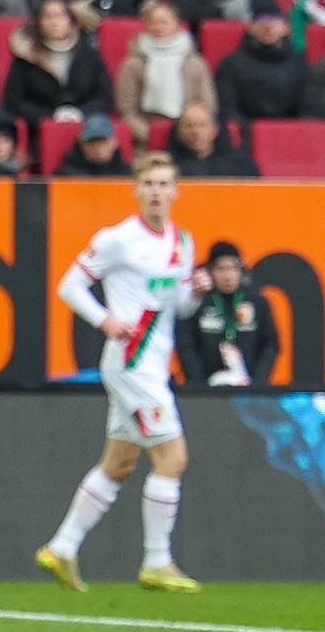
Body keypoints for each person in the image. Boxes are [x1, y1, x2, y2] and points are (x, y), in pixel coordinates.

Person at [38, 152, 207, 593]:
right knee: (174, 457)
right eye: (148, 183)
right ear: (135, 190)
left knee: (119, 463)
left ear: (176, 191)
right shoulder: (118, 239)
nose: (156, 192)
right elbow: (69, 284)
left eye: (163, 184)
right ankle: (156, 560)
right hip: (132, 364)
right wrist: (104, 320)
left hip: (152, 363)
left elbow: (180, 308)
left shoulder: (182, 242)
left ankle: (62, 546)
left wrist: (196, 291)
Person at [177, 241, 278, 388]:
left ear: (241, 270)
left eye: (233, 268)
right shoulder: (197, 302)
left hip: (249, 389)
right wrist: (198, 384)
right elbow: (186, 346)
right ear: (211, 271)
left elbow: (270, 344)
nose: (228, 276)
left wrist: (258, 383)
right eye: (221, 269)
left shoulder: (257, 302)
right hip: (204, 391)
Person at [3, 0, 112, 126]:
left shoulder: (88, 54)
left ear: (71, 21)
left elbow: (104, 96)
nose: (54, 22)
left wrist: (81, 113)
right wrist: (50, 116)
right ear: (39, 22)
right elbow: (14, 101)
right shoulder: (26, 57)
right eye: (47, 17)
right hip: (39, 127)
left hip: (88, 126)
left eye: (60, 16)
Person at [116, 0, 214, 141]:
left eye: (164, 22)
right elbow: (127, 110)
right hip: (145, 134)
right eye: (153, 23)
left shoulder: (195, 63)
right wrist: (151, 136)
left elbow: (207, 105)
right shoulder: (133, 64)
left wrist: (188, 133)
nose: (158, 27)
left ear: (177, 25)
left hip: (189, 134)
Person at [216, 5, 321, 121]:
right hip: (245, 133)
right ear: (250, 27)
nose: (268, 26)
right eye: (261, 19)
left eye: (275, 20)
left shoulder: (301, 66)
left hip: (290, 133)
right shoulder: (231, 64)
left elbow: (310, 111)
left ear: (286, 28)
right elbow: (228, 109)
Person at [169, 100, 258, 176]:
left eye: (202, 125)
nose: (195, 132)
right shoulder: (167, 163)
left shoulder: (240, 163)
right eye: (189, 125)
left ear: (214, 130)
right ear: (179, 132)